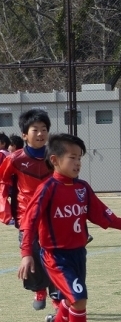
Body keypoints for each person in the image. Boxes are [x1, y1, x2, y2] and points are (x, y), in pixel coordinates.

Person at [18, 133, 121, 322]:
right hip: (55, 256)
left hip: (79, 254)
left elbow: (104, 217)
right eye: (72, 157)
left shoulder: (82, 188)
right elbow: (29, 222)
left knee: (71, 300)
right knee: (79, 298)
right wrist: (26, 254)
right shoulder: (47, 188)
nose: (78, 162)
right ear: (55, 160)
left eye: (80, 158)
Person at [0, 109, 58, 310]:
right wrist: (5, 212)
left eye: (44, 129)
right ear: (25, 134)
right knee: (31, 253)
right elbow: (2, 183)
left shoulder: (55, 156)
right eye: (35, 130)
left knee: (56, 254)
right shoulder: (14, 159)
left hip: (52, 215)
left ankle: (57, 295)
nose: (41, 134)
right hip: (26, 215)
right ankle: (38, 289)